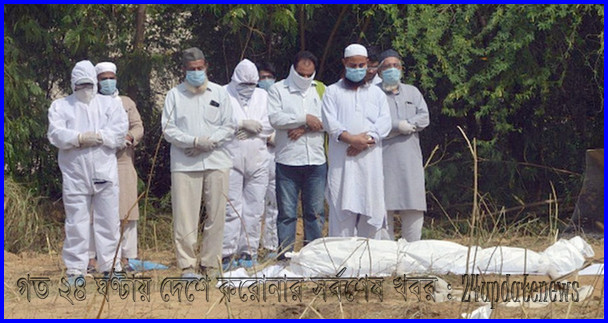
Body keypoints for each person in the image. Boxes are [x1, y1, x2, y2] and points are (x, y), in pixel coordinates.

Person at [48, 60, 128, 281]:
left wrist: (100, 136)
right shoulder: (61, 106)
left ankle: (110, 267)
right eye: (80, 85)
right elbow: (55, 134)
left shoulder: (110, 104)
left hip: (105, 172)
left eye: (88, 84)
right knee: (76, 222)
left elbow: (120, 132)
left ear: (95, 82)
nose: (85, 89)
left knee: (109, 222)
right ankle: (75, 268)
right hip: (75, 175)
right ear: (73, 84)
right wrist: (79, 138)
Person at [162, 47, 235, 278]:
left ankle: (211, 263)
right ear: (184, 70)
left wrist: (210, 142)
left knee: (216, 215)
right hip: (185, 163)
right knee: (185, 217)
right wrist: (193, 141)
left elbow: (230, 125)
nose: (196, 72)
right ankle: (187, 265)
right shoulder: (174, 95)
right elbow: (168, 129)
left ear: (206, 67)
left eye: (200, 68)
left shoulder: (220, 93)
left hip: (217, 160)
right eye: (192, 69)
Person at [321, 44, 392, 238]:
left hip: (370, 161)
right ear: (344, 63)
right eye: (354, 65)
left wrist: (363, 143)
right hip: (342, 162)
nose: (358, 69)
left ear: (368, 64)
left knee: (371, 210)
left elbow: (384, 123)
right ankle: (342, 264)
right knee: (341, 213)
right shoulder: (332, 92)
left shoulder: (377, 93)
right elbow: (330, 122)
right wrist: (350, 139)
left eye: (362, 65)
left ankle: (369, 264)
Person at [268, 51, 327, 257]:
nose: (304, 78)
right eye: (300, 74)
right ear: (293, 69)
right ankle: (284, 253)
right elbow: (276, 119)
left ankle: (313, 254)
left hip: (316, 160)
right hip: (288, 160)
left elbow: (327, 120)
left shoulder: (320, 89)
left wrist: (304, 127)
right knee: (287, 213)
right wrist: (305, 117)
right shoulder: (278, 90)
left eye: (308, 74)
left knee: (315, 212)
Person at [87, 62, 144, 272]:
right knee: (96, 212)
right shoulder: (91, 102)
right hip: (99, 159)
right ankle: (93, 259)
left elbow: (138, 126)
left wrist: (129, 137)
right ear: (97, 81)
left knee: (126, 209)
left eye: (111, 77)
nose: (108, 82)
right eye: (104, 78)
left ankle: (126, 258)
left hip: (123, 160)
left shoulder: (126, 102)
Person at [221, 59, 273, 269]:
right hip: (230, 157)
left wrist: (255, 129)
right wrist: (239, 125)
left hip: (259, 158)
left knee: (254, 207)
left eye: (252, 84)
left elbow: (271, 123)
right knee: (231, 207)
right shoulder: (223, 94)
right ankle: (226, 253)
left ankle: (248, 251)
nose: (248, 89)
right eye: (244, 85)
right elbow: (218, 121)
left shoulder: (263, 96)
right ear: (235, 81)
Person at [377, 49, 429, 241]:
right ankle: (387, 257)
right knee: (383, 207)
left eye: (396, 65)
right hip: (383, 159)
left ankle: (413, 253)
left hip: (410, 160)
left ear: (402, 69)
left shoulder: (412, 92)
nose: (392, 69)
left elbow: (424, 117)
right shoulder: (374, 94)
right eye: (387, 66)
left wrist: (411, 124)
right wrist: (398, 126)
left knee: (414, 205)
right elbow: (374, 124)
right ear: (380, 71)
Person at [256, 61, 279, 259]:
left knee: (275, 204)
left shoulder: (279, 96)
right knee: (255, 204)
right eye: (261, 78)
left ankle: (271, 246)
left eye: (268, 77)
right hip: (258, 155)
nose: (265, 81)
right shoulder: (254, 100)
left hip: (278, 155)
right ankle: (250, 247)